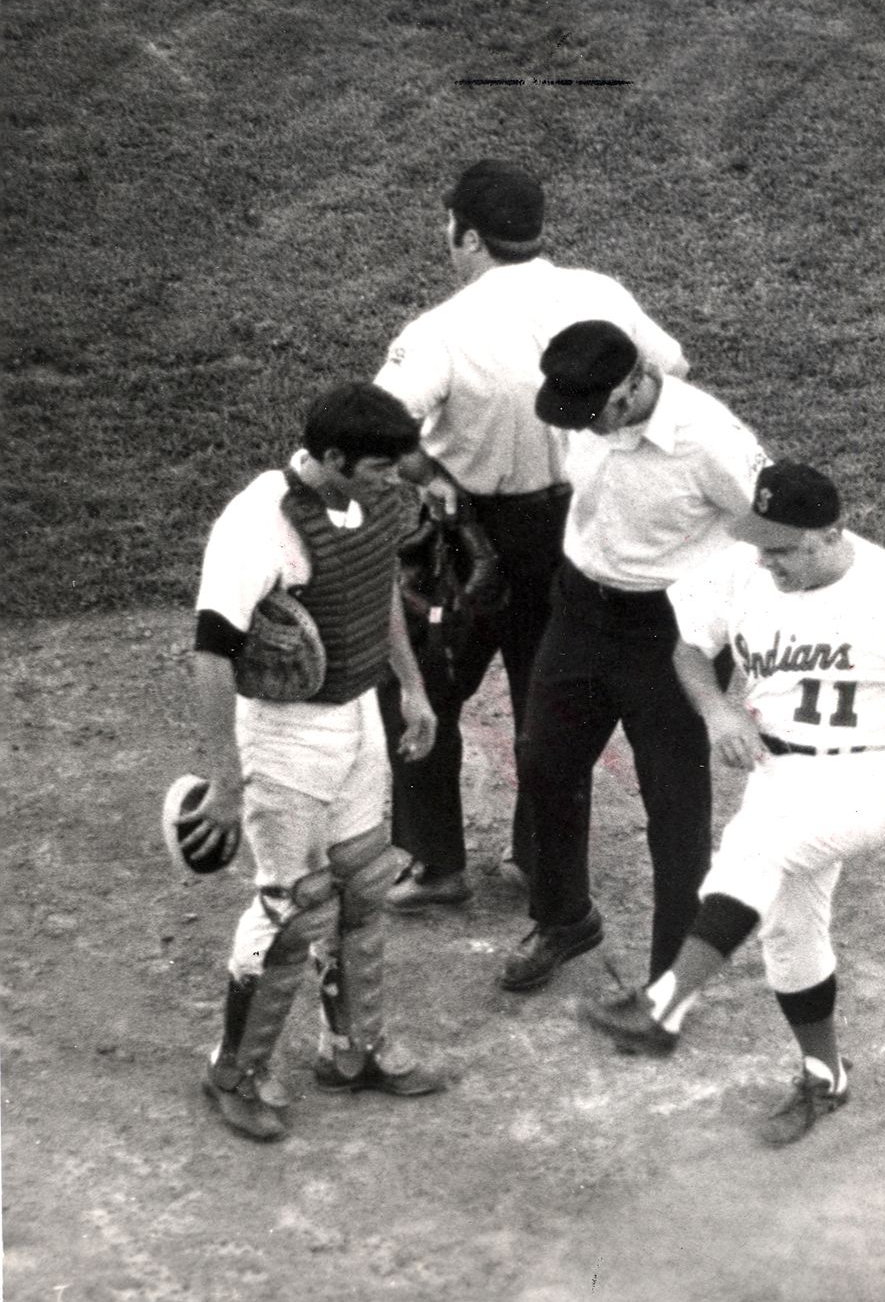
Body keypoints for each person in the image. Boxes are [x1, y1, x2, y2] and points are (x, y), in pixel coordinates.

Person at [582, 461, 885, 1147]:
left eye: (783, 548)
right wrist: (718, 712)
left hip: (869, 779)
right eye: (761, 544)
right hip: (779, 776)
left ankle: (664, 1007)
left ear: (832, 532)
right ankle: (824, 1072)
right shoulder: (745, 567)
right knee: (788, 931)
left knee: (759, 852)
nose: (767, 561)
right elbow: (690, 650)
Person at [374, 159, 686, 912]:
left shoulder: (441, 330)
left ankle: (436, 861)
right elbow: (670, 369)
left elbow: (380, 430)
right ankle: (540, 862)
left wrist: (429, 476)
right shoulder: (599, 294)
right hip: (578, 534)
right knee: (552, 703)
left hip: (468, 539)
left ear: (470, 237)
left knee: (416, 688)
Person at [188, 382, 444, 1143]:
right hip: (284, 737)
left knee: (364, 886)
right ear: (331, 458)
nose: (392, 480)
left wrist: (415, 688)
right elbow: (209, 655)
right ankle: (232, 1071)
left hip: (358, 714)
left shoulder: (371, 498)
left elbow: (377, 591)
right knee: (291, 910)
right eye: (377, 469)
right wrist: (226, 781)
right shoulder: (258, 525)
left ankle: (353, 1048)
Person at [499, 319, 769, 992]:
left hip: (670, 633)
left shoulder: (709, 439)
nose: (585, 427)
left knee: (674, 807)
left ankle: (671, 981)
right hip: (581, 611)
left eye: (597, 414)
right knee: (544, 763)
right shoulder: (582, 412)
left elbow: (765, 534)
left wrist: (736, 631)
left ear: (636, 382)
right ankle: (564, 919)